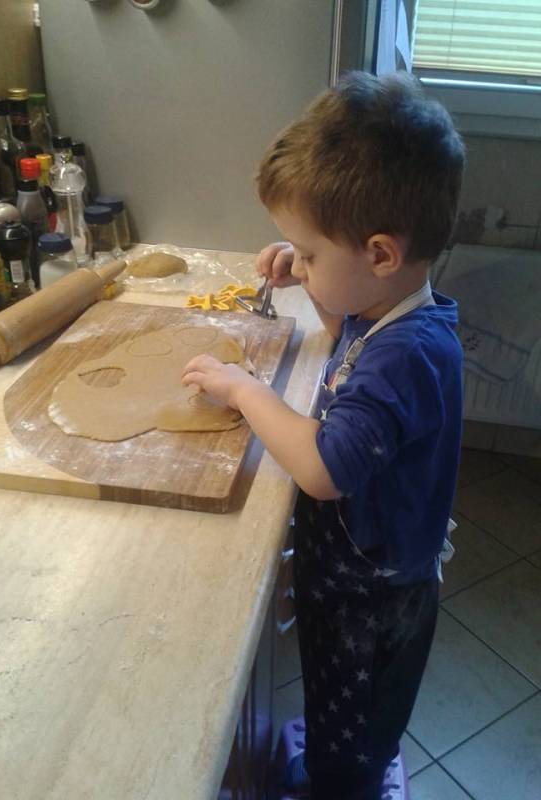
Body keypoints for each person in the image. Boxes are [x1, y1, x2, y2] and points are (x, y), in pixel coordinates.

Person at [182, 70, 465, 800]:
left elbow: (324, 468)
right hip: (353, 580)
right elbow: (349, 333)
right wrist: (311, 279)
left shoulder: (407, 357)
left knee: (351, 742)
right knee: (336, 717)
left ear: (380, 254)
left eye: (307, 252)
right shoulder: (395, 310)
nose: (297, 262)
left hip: (370, 606)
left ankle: (344, 787)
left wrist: (243, 389)